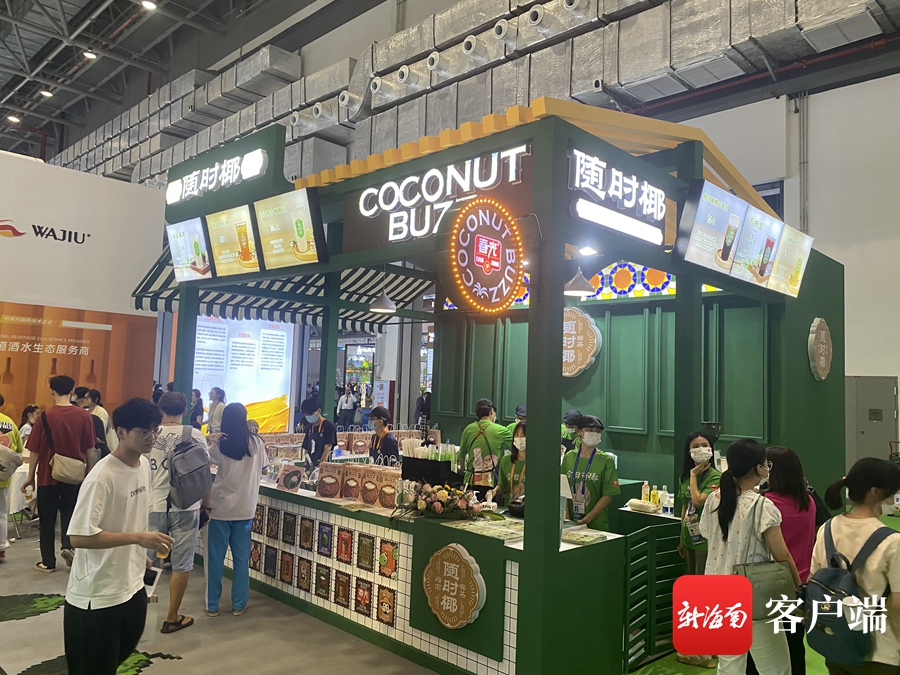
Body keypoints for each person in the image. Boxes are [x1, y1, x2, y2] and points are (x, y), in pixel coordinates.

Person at [63, 398, 173, 675]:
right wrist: (137, 539)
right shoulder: (102, 477)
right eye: (144, 431)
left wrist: (137, 552)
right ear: (120, 432)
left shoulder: (143, 465)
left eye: (155, 430)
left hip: (132, 586)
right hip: (96, 595)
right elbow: (78, 537)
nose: (152, 438)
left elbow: (128, 519)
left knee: (116, 659)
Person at [698, 439, 800, 675]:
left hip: (716, 591)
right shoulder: (762, 507)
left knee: (729, 665)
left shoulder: (714, 499)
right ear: (758, 468)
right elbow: (782, 555)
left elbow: (706, 534)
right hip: (753, 597)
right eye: (766, 464)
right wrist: (798, 588)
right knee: (775, 668)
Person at [810, 458, 900, 675]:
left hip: (837, 645)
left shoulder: (827, 529)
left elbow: (813, 579)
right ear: (875, 492)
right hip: (880, 653)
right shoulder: (892, 542)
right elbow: (897, 605)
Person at [742, 446, 815, 675]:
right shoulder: (808, 502)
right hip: (801, 583)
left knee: (760, 652)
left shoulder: (764, 504)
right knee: (795, 646)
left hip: (768, 586)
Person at [147, 392, 209, 634]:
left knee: (147, 561)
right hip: (186, 506)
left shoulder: (149, 434)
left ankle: (138, 610)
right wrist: (205, 506)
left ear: (160, 410)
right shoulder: (195, 435)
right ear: (185, 411)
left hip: (153, 505)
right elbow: (203, 474)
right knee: (182, 564)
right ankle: (172, 617)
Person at [21, 375, 95, 572]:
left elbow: (34, 450)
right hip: (75, 476)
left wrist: (30, 477)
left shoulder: (44, 417)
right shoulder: (84, 416)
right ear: (72, 392)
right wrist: (89, 472)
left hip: (48, 475)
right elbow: (90, 448)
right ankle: (68, 546)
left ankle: (48, 562)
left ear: (51, 391)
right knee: (71, 514)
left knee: (47, 519)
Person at [205, 402, 267, 617]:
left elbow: (205, 461)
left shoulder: (220, 444)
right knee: (241, 560)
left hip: (220, 508)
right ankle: (239, 605)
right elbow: (265, 469)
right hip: (245, 508)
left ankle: (212, 605)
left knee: (215, 560)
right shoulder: (257, 443)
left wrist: (208, 440)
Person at [674, 431, 721, 669]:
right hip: (690, 540)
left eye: (705, 445)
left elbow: (699, 500)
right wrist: (681, 538)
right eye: (695, 445)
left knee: (705, 594)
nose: (701, 449)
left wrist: (694, 476)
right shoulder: (685, 476)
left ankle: (707, 651)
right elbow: (685, 507)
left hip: (707, 542)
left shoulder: (716, 477)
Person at [560, 415, 620, 531]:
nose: (594, 433)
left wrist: (585, 520)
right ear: (579, 432)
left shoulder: (606, 460)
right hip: (569, 522)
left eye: (598, 431)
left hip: (596, 524)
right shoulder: (569, 457)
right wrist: (567, 518)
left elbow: (608, 496)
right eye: (590, 430)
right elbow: (564, 490)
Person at [458, 398, 512, 488]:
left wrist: (462, 467)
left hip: (470, 480)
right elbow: (517, 449)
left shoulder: (468, 429)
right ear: (491, 411)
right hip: (489, 481)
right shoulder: (501, 430)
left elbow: (462, 454)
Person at [0, 399, 25, 562]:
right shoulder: (9, 422)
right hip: (3, 476)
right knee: (1, 513)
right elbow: (18, 451)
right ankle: (1, 548)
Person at [300, 397, 337, 468]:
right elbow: (306, 449)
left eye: (310, 414)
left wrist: (321, 466)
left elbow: (327, 448)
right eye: (306, 415)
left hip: (323, 467)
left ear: (319, 411)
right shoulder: (309, 427)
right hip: (311, 464)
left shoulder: (329, 426)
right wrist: (306, 464)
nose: (308, 417)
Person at [494, 422, 526, 503]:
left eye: (523, 435)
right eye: (517, 435)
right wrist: (494, 491)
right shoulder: (506, 460)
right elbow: (502, 485)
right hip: (509, 507)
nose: (519, 438)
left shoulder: (537, 463)